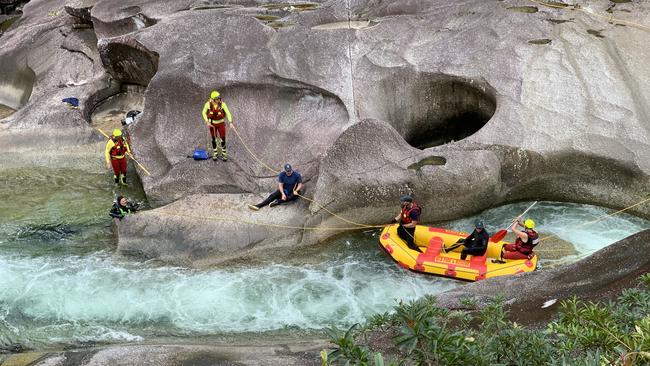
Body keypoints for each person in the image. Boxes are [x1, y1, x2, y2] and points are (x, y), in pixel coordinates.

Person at [202, 90, 233, 161]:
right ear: (212, 99)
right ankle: (215, 153)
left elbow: (228, 113)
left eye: (219, 98)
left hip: (221, 124)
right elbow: (203, 112)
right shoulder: (207, 104)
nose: (219, 100)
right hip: (212, 124)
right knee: (214, 139)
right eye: (217, 99)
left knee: (223, 138)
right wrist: (207, 121)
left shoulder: (223, 104)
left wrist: (230, 122)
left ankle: (224, 154)